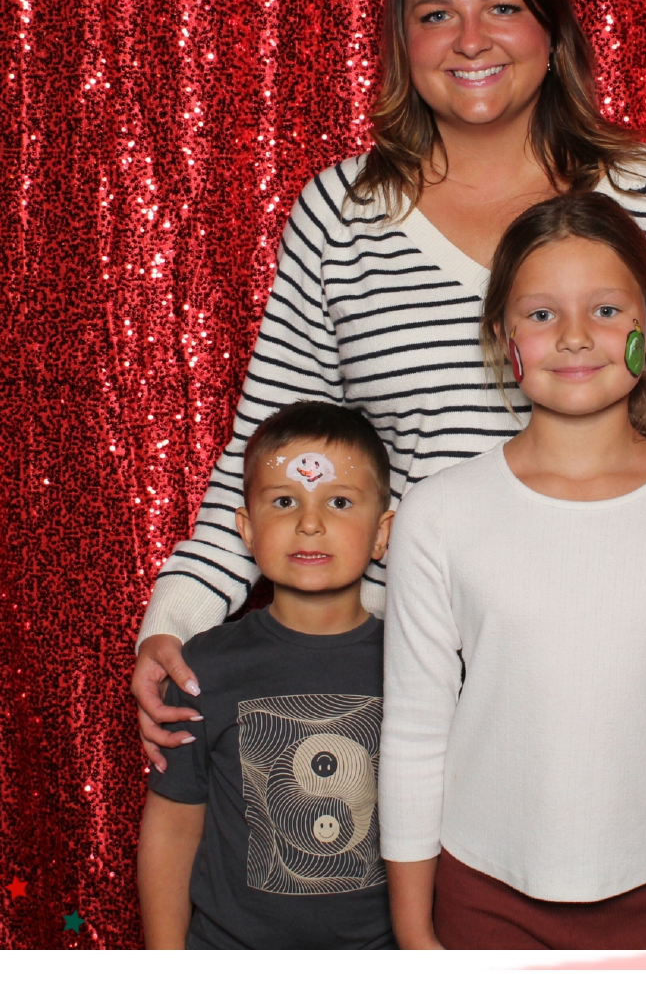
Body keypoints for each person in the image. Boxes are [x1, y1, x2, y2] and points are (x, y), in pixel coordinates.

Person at [132, 0, 646, 770]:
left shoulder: (645, 194)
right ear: (401, 44)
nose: (471, 40)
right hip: (404, 668)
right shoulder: (341, 216)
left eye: (502, 7)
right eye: (436, 15)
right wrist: (177, 618)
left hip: (625, 643)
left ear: (552, 31)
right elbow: (276, 452)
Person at [381, 191, 646, 949]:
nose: (573, 336)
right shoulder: (438, 512)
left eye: (605, 310)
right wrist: (414, 934)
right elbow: (417, 732)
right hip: (482, 898)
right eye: (541, 313)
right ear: (503, 339)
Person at [136, 401, 397, 949]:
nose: (309, 523)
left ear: (381, 533)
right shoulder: (205, 666)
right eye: (284, 501)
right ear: (248, 530)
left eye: (339, 502)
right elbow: (173, 828)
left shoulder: (415, 665)